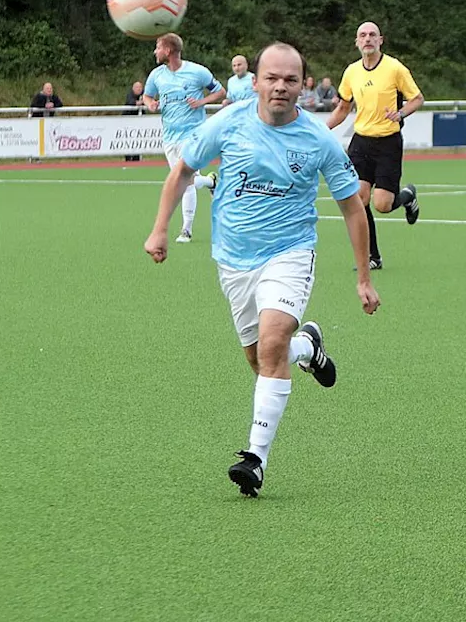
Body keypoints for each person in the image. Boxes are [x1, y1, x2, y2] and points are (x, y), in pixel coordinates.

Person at [143, 42, 380, 498]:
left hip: (290, 254)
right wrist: (159, 230)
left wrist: (363, 277)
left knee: (271, 345)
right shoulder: (228, 122)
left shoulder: (318, 139)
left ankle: (255, 459)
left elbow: (352, 207)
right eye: (271, 77)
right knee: (261, 360)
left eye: (291, 79)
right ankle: (307, 349)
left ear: (303, 86)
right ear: (254, 82)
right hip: (233, 260)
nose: (280, 86)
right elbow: (182, 172)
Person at [326, 21, 424, 270]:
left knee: (382, 204)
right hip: (361, 142)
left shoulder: (394, 68)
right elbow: (344, 107)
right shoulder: (351, 72)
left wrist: (401, 114)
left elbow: (417, 98)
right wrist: (320, 130)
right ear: (357, 42)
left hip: (389, 142)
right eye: (362, 35)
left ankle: (407, 196)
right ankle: (373, 257)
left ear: (381, 40)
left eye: (372, 35)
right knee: (359, 198)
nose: (367, 39)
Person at [143, 33, 227, 243]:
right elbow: (147, 95)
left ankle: (186, 230)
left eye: (158, 47)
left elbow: (220, 91)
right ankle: (209, 181)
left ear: (168, 51)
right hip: (170, 136)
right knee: (182, 179)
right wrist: (150, 104)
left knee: (185, 180)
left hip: (193, 134)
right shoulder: (156, 75)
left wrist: (201, 102)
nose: (155, 51)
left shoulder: (197, 72)